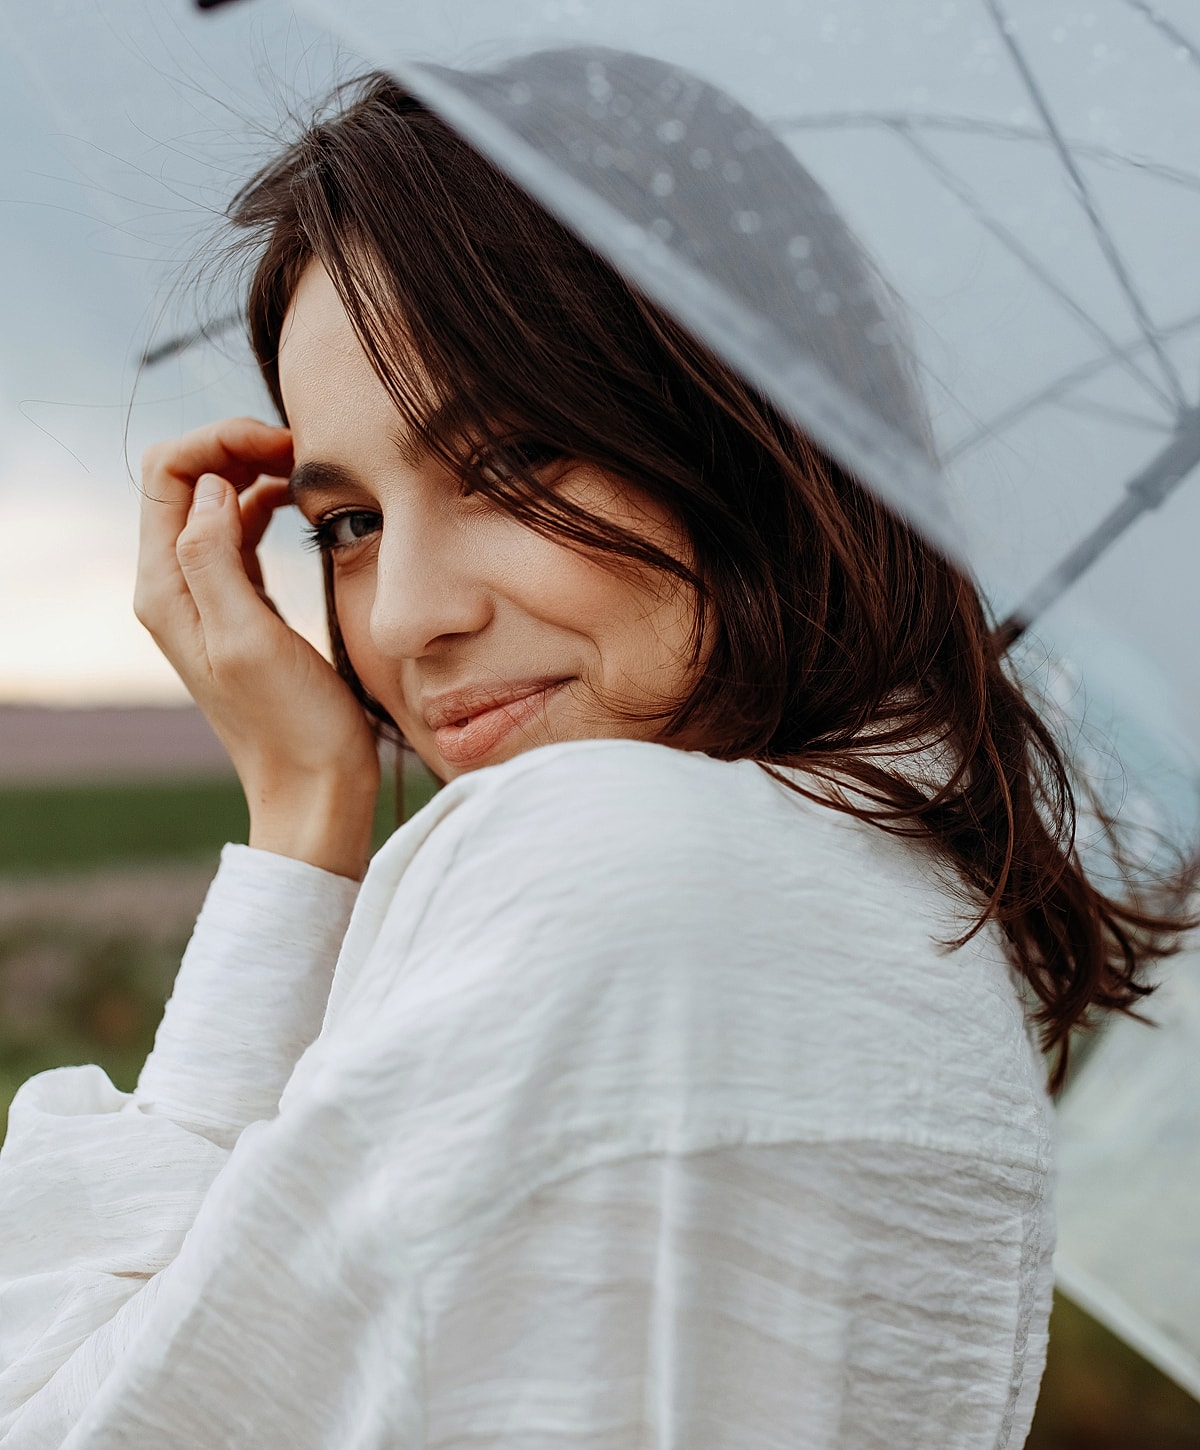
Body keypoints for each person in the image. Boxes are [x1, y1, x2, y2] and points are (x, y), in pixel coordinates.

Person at [0, 50, 1190, 1449]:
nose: (416, 616)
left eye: (511, 467)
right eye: (347, 524)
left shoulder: (601, 861)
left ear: (732, 419)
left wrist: (296, 821)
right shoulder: (895, 898)